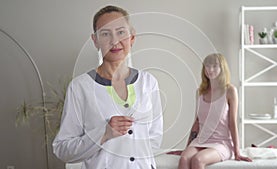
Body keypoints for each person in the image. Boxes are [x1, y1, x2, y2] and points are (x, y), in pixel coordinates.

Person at [52, 5, 163, 169]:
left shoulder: (148, 82)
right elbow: (62, 149)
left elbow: (154, 139)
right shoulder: (80, 87)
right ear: (95, 40)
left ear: (132, 37)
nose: (114, 41)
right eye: (105, 34)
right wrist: (103, 134)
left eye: (121, 32)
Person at [178, 53, 252, 169]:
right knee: (184, 159)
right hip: (200, 141)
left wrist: (237, 151)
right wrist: (187, 148)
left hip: (221, 143)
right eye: (207, 66)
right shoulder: (200, 92)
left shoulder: (230, 90)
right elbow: (197, 123)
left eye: (214, 66)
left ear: (222, 68)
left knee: (198, 160)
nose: (210, 69)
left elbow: (232, 123)